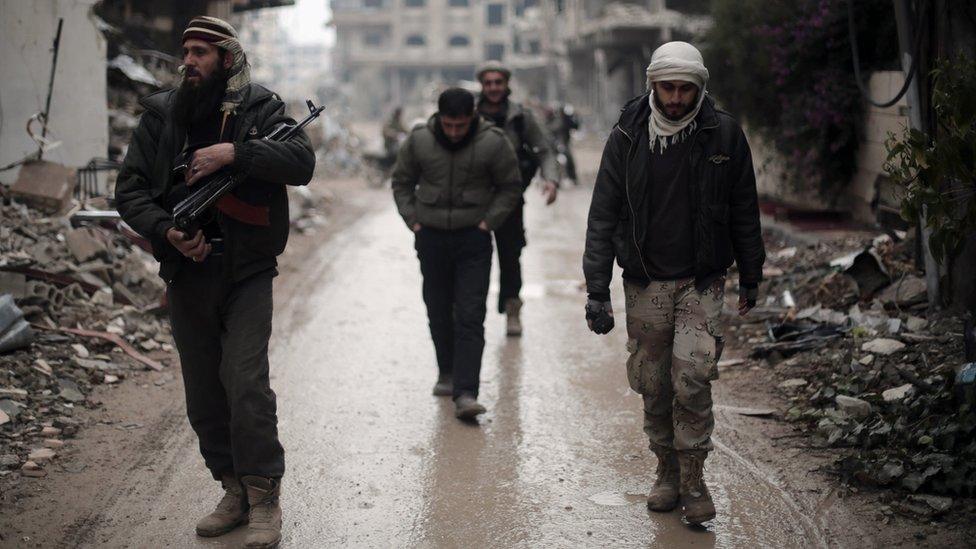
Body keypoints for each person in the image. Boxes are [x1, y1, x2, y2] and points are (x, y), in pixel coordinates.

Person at [114, 16, 315, 547]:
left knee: (245, 383)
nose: (189, 61)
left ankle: (263, 494)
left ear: (227, 58)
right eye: (187, 52)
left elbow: (301, 162)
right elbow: (129, 192)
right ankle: (231, 489)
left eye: (201, 52)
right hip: (188, 273)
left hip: (246, 271)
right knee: (204, 393)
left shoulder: (261, 108)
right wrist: (167, 232)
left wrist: (236, 153)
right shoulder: (162, 114)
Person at [582, 41, 765, 526]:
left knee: (694, 378)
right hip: (646, 282)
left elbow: (744, 209)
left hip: (701, 280)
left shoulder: (723, 134)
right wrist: (596, 290)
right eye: (669, 88)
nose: (677, 98)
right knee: (656, 384)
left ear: (700, 87)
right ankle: (665, 471)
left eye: (687, 89)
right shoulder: (627, 134)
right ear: (653, 84)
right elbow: (603, 215)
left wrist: (752, 273)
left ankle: (694, 480)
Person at [392, 88, 522, 419]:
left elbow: (510, 187)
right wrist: (414, 221)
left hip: (473, 240)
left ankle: (466, 392)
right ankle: (446, 373)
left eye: (460, 126)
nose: (454, 133)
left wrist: (487, 222)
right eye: (448, 125)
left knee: (470, 313)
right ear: (439, 118)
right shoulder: (419, 140)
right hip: (430, 238)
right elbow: (401, 182)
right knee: (437, 308)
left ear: (472, 118)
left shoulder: (493, 142)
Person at [476, 61, 559, 336]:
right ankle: (471, 313)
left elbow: (544, 149)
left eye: (498, 82)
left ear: (506, 84)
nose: (493, 88)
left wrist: (551, 179)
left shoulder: (521, 116)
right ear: (482, 85)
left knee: (511, 257)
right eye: (488, 83)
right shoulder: (470, 114)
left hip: (510, 198)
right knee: (474, 259)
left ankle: (513, 310)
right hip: (474, 201)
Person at [548, 104, 580, 185]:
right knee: (551, 160)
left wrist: (574, 117)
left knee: (569, 159)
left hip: (564, 143)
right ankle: (553, 179)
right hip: (555, 144)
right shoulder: (554, 121)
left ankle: (572, 178)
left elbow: (575, 126)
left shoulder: (565, 120)